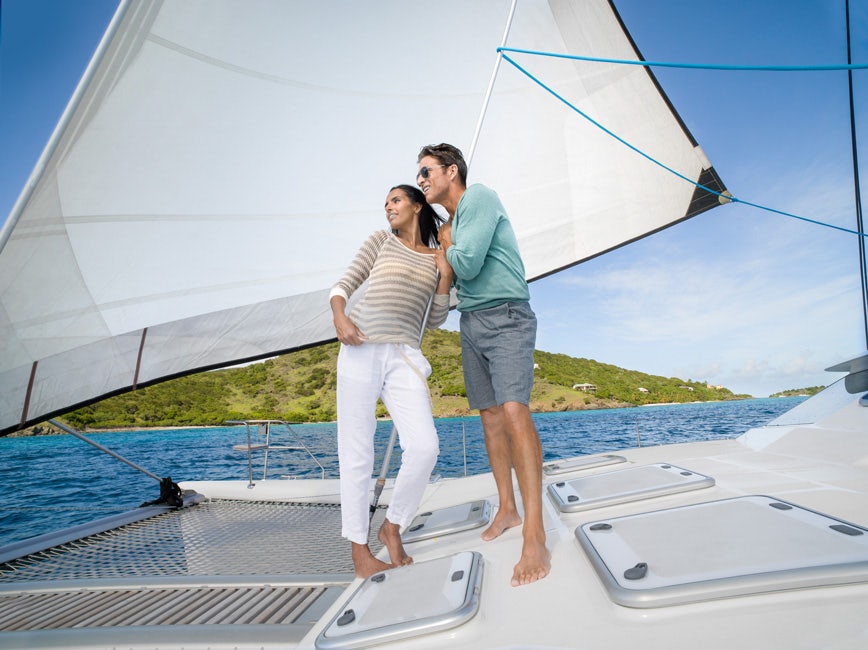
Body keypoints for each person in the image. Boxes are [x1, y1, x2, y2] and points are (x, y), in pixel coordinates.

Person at [416, 143, 550, 587]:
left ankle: (535, 533)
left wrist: (450, 253)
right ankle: (508, 510)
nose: (421, 180)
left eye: (426, 171)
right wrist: (445, 251)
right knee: (490, 420)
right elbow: (448, 280)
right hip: (470, 322)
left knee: (513, 410)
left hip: (507, 315)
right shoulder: (449, 226)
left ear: (451, 171)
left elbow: (467, 265)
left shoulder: (480, 198)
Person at [329, 183, 453, 579]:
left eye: (395, 201)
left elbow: (434, 320)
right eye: (385, 204)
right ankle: (360, 552)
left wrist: (445, 276)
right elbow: (342, 286)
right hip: (361, 346)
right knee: (357, 453)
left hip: (403, 355)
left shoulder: (436, 258)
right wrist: (340, 317)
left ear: (417, 205)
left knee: (424, 447)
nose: (388, 209)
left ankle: (392, 525)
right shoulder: (380, 241)